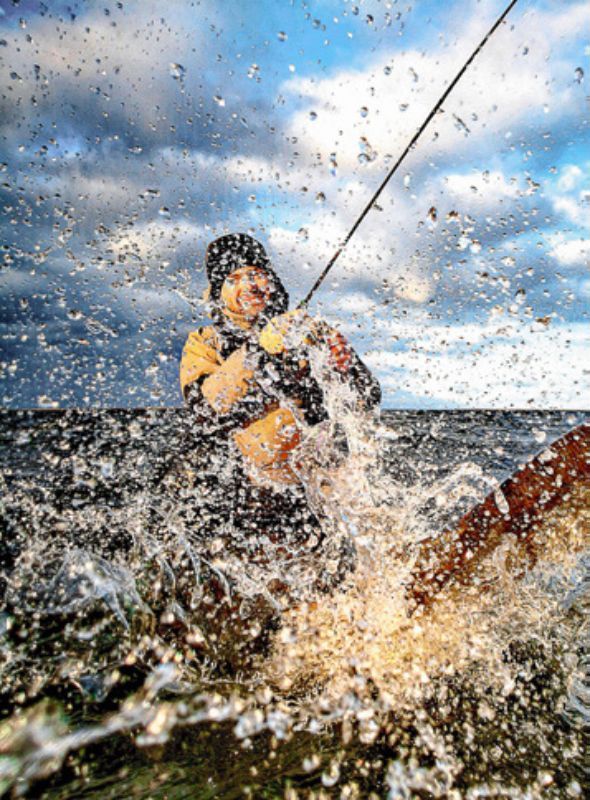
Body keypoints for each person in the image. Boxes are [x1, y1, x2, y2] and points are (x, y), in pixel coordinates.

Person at [180, 233, 380, 487]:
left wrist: (349, 367)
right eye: (233, 280)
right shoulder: (203, 342)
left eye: (255, 274)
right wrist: (257, 350)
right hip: (245, 486)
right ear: (219, 293)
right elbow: (205, 408)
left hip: (317, 481)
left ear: (270, 280)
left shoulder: (307, 329)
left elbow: (369, 398)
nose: (248, 286)